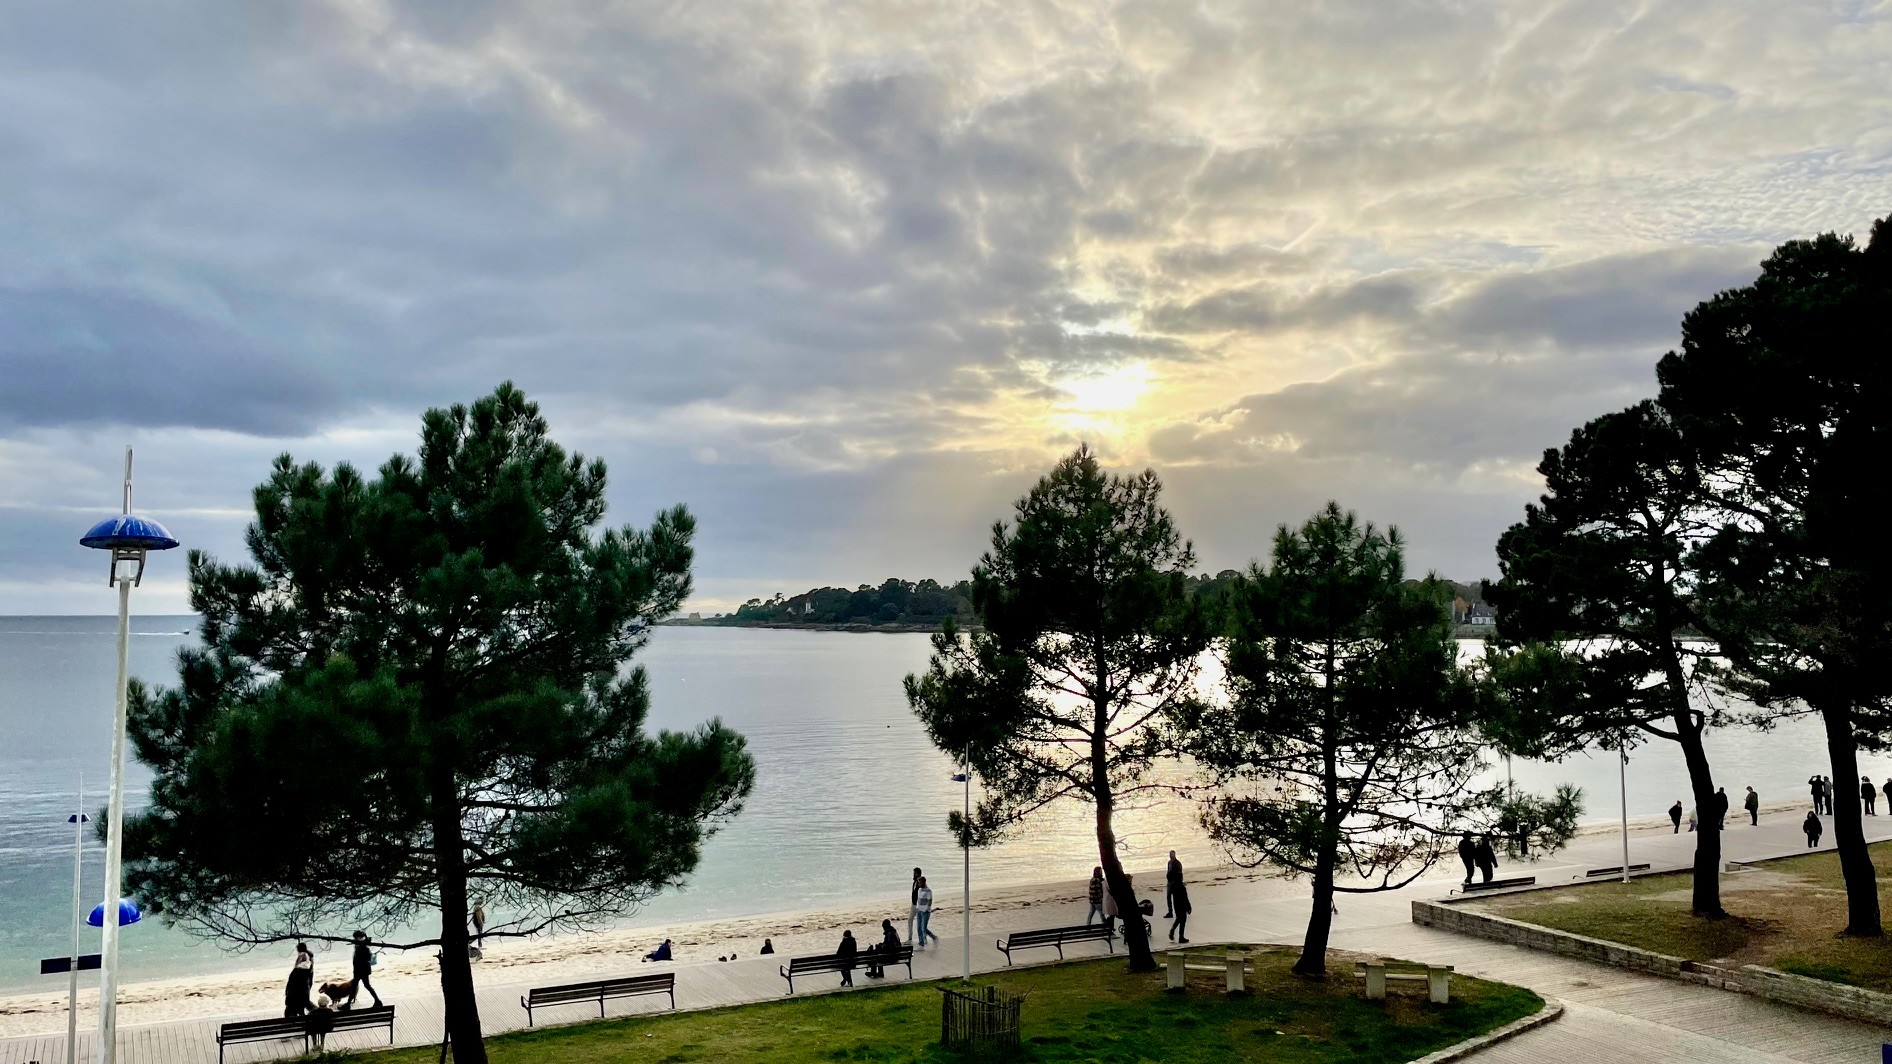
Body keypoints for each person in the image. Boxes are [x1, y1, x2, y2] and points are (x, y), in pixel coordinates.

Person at [348, 931, 382, 1008]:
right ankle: (377, 1001)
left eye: (356, 938)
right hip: (360, 970)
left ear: (359, 937)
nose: (355, 939)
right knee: (364, 986)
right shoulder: (360, 945)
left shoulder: (364, 948)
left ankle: (348, 1004)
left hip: (361, 970)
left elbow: (365, 959)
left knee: (357, 986)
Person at [283, 941, 315, 1019]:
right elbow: (310, 982)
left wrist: (287, 993)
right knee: (302, 1009)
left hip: (295, 995)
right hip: (304, 994)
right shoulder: (309, 968)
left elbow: (291, 984)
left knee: (292, 1010)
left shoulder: (297, 971)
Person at [914, 876, 939, 948]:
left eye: (920, 882)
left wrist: (926, 909)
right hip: (919, 910)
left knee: (923, 928)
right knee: (919, 928)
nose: (919, 884)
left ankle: (933, 937)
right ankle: (921, 943)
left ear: (923, 882)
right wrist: (917, 907)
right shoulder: (919, 890)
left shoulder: (928, 891)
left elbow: (929, 901)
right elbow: (919, 900)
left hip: (925, 911)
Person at [1164, 851, 1184, 918]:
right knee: (1168, 897)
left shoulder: (1177, 863)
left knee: (1176, 898)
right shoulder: (1169, 862)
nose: (1170, 855)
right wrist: (1168, 876)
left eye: (1171, 854)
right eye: (1170, 854)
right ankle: (1170, 912)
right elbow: (1169, 871)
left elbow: (1179, 873)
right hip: (1170, 882)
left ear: (1174, 855)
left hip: (1175, 882)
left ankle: (1179, 912)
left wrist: (1178, 881)